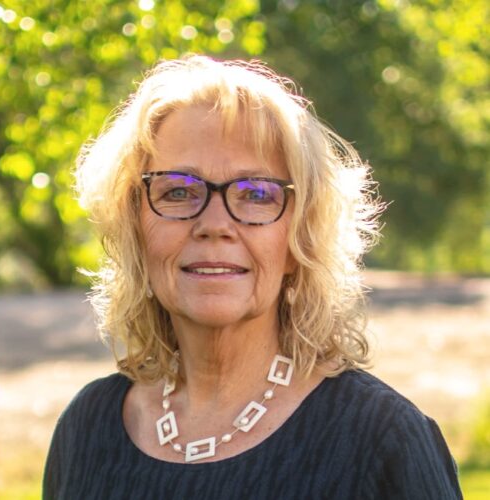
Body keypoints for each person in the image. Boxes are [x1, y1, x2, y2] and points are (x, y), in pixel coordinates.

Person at [43, 55, 462, 499]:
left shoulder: (383, 441)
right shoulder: (86, 429)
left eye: (257, 194)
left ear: (301, 237)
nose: (214, 223)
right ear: (134, 227)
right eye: (179, 191)